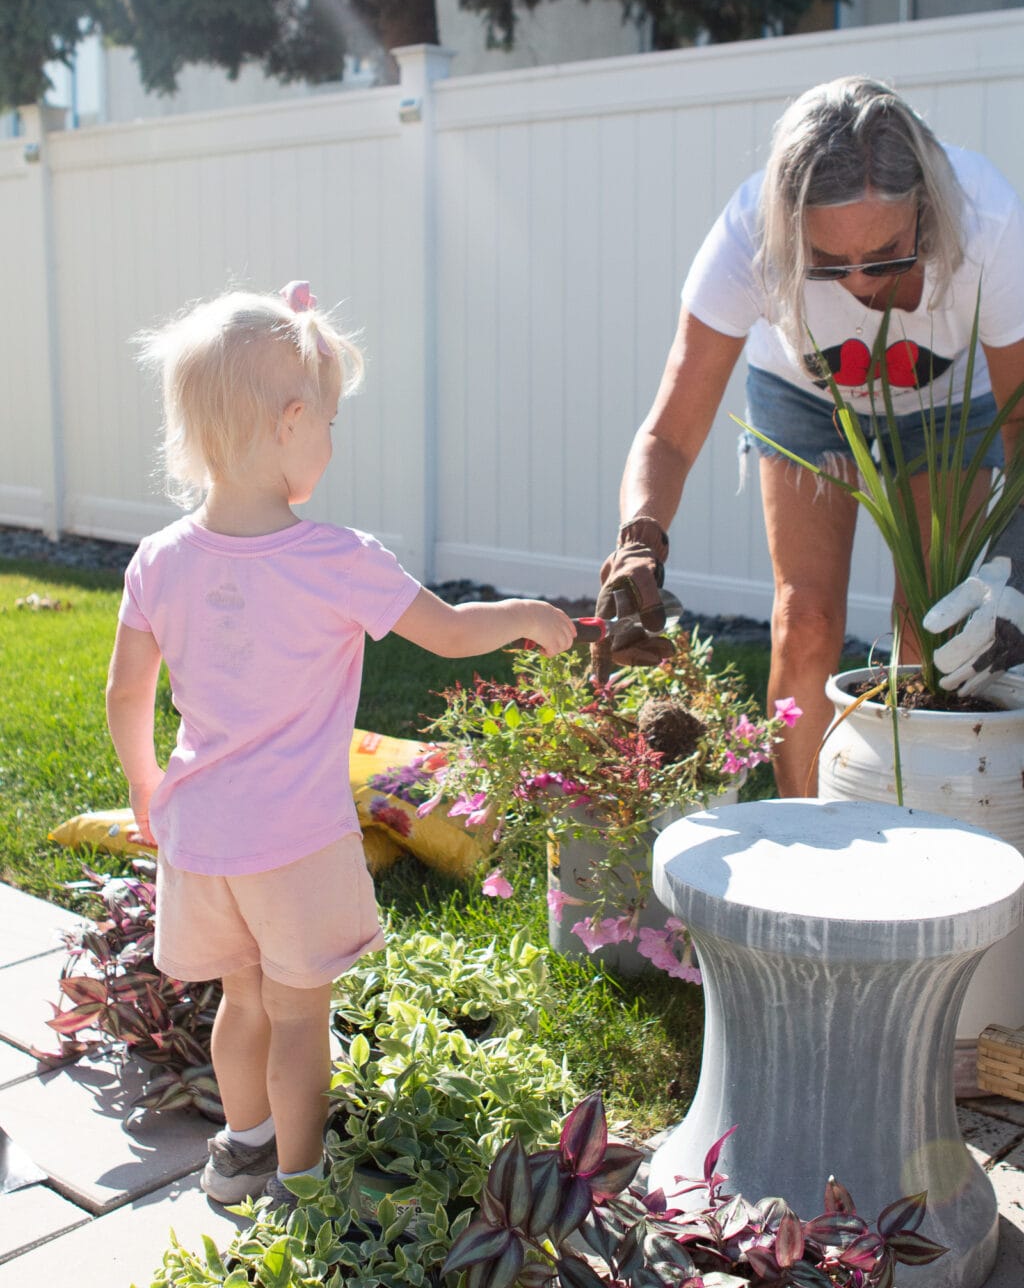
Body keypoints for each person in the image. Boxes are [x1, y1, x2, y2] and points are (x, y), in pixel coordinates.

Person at [105, 281, 575, 1211]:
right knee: (297, 1016)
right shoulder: (337, 557)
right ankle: (303, 1183)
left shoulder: (158, 559)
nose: (328, 438)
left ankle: (239, 1153)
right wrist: (526, 616)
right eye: (326, 419)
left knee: (237, 1003)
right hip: (297, 839)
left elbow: (128, 694)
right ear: (289, 424)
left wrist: (146, 785)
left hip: (201, 831)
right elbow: (445, 632)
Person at [596, 76, 1024, 798]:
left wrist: (1018, 564)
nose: (859, 285)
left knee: (928, 619)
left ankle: (908, 823)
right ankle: (803, 825)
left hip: (951, 406)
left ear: (927, 211)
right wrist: (640, 540)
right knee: (806, 615)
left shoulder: (988, 222)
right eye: (827, 264)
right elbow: (670, 432)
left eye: (887, 255)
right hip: (805, 398)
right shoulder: (748, 236)